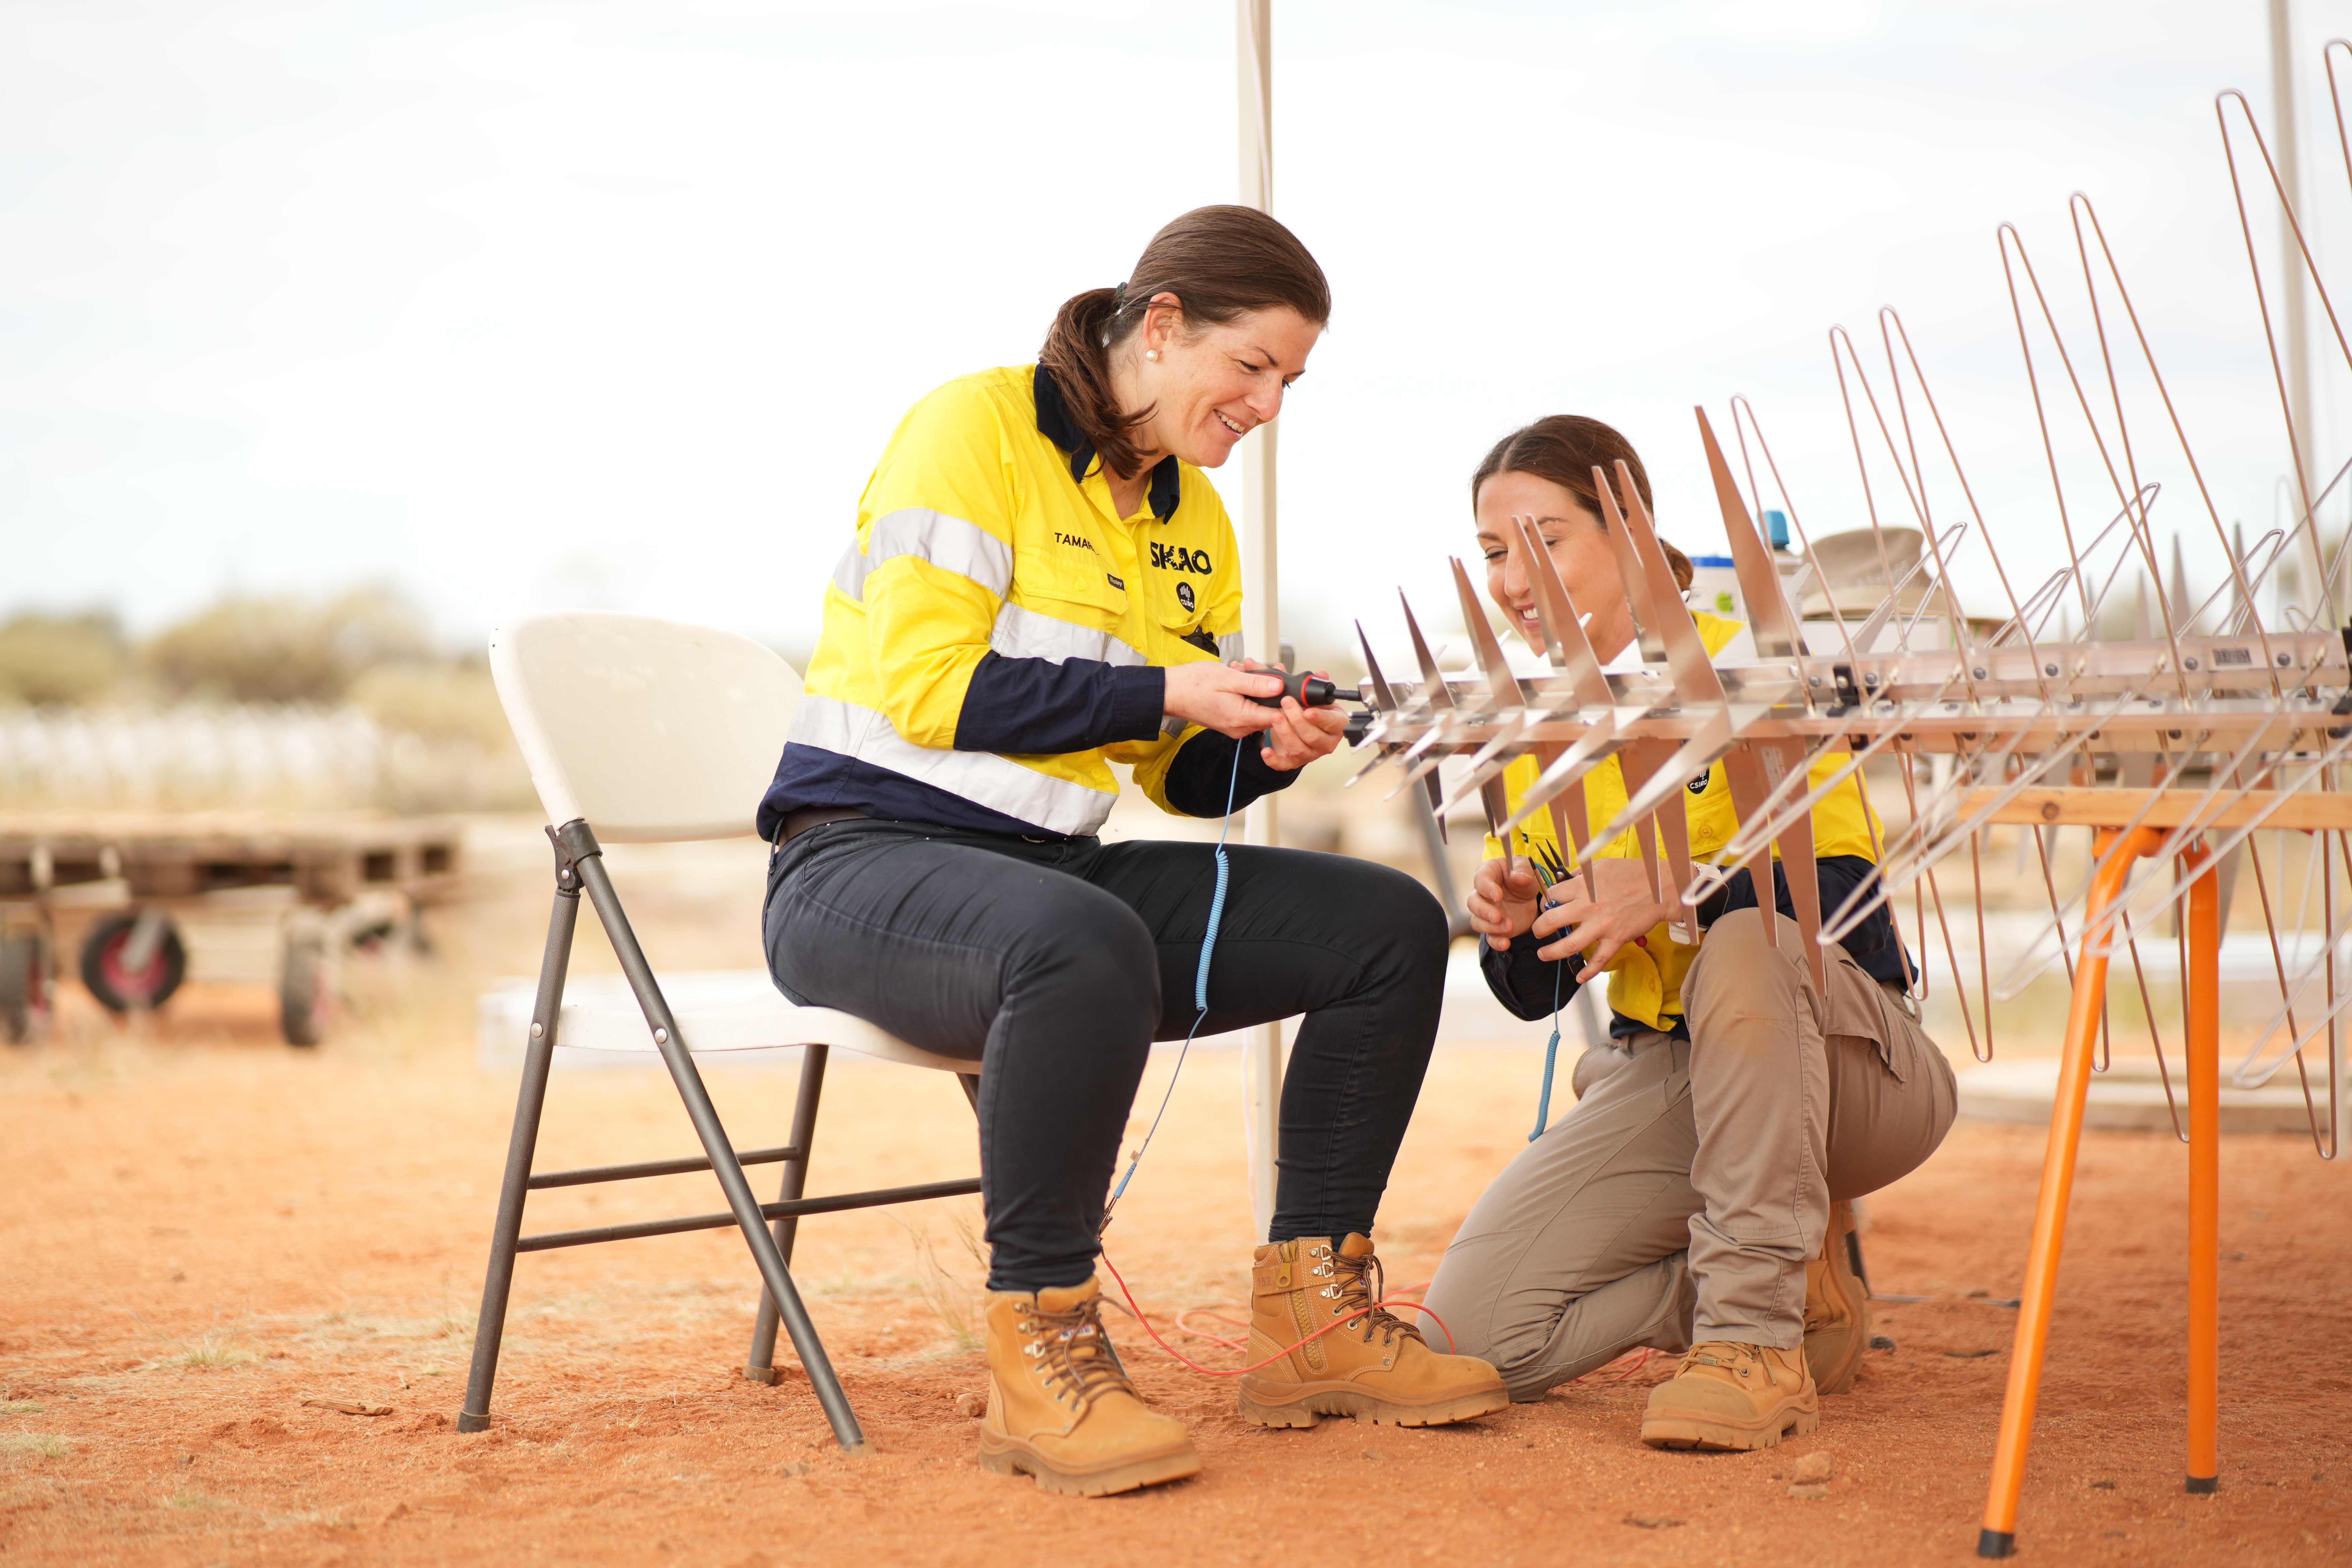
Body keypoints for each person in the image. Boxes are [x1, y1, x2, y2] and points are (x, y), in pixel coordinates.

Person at [756, 206, 1506, 1498]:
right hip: (859, 865)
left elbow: (1180, 773)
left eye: (1290, 381)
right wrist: (1166, 691)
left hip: (1054, 883)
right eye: (1252, 367)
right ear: (1162, 328)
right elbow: (933, 689)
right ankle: (1040, 1344)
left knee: (1385, 926)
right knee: (1079, 940)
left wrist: (1258, 746)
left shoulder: (1191, 514)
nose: (1268, 404)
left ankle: (1314, 1325)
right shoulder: (971, 429)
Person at [1417, 415, 1957, 1451]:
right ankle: (1789, 1285)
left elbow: (1845, 901)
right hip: (1671, 1071)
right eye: (1492, 553)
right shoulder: (1536, 737)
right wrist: (1516, 932)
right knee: (1478, 1338)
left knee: (1748, 942)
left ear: (1626, 531)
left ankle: (1749, 1344)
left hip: (1850, 1072)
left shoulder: (1758, 684)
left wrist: (1680, 890)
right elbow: (1537, 993)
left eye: (1544, 541)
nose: (1513, 580)